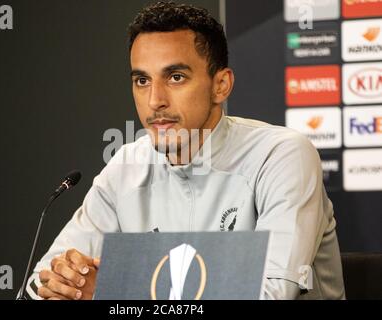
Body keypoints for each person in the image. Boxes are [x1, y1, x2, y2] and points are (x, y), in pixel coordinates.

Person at [25, 1, 345, 300]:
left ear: (220, 85)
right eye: (141, 80)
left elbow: (272, 293)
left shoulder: (283, 156)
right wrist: (66, 282)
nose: (155, 100)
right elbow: (40, 283)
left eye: (175, 77)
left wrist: (114, 289)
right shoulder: (126, 166)